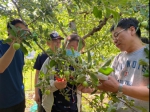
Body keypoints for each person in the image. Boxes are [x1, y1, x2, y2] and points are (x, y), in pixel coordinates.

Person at [98, 18, 149, 112]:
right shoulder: (118, 58)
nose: (115, 41)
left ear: (132, 30)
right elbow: (110, 84)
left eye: (116, 35)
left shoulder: (147, 53)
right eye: (113, 38)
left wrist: (119, 88)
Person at [39, 34, 92, 112]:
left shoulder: (81, 64)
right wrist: (54, 85)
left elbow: (88, 82)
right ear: (65, 46)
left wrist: (87, 86)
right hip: (53, 109)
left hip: (73, 108)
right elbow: (40, 83)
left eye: (78, 48)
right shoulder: (52, 61)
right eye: (71, 46)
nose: (74, 50)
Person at [0, 19, 29, 112]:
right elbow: (1, 68)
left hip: (19, 98)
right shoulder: (1, 45)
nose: (20, 32)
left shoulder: (20, 50)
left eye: (23, 30)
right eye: (18, 29)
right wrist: (15, 43)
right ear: (9, 30)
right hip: (4, 103)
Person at [33, 31, 64, 112]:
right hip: (45, 91)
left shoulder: (63, 56)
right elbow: (37, 75)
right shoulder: (42, 56)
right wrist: (36, 93)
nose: (58, 44)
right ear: (48, 43)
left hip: (60, 94)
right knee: (44, 108)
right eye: (54, 41)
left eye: (59, 41)